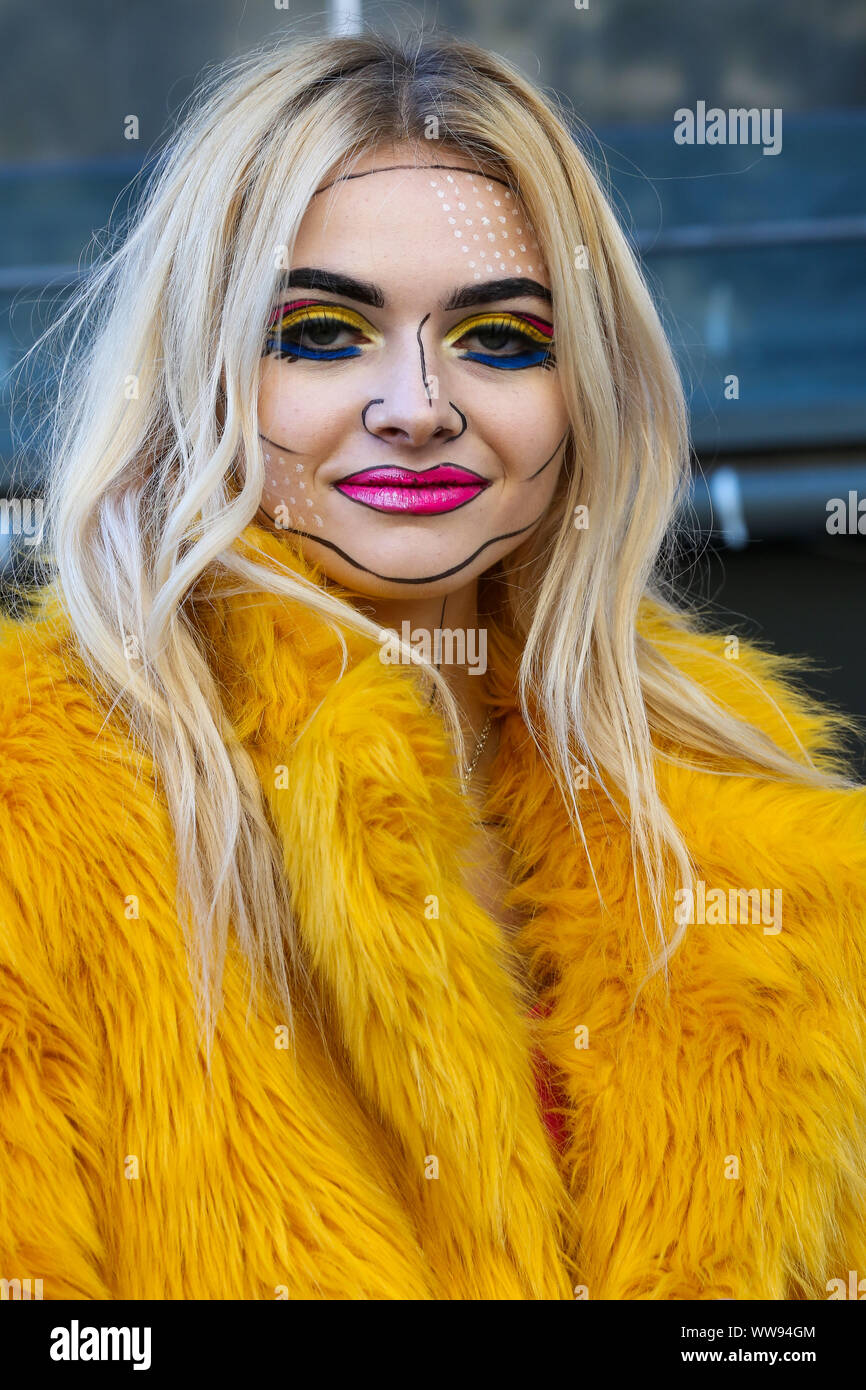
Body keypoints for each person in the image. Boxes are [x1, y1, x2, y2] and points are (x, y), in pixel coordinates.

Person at [1, 29, 865, 1302]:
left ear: (584, 395)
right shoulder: (37, 808)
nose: (418, 403)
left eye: (501, 340)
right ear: (202, 373)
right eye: (321, 331)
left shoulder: (753, 824)